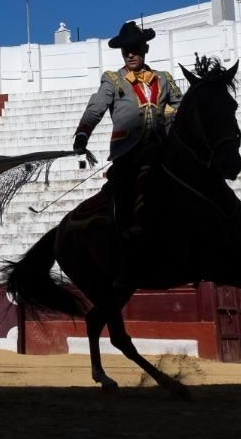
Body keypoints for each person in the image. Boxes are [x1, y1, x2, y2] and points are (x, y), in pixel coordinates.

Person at [72, 22, 182, 281]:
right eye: (125, 50)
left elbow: (182, 107)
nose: (130, 54)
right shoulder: (113, 80)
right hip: (128, 151)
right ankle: (127, 240)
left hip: (161, 147)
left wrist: (173, 116)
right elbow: (96, 106)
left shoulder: (164, 79)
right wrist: (83, 132)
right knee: (125, 188)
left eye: (135, 48)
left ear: (145, 49)